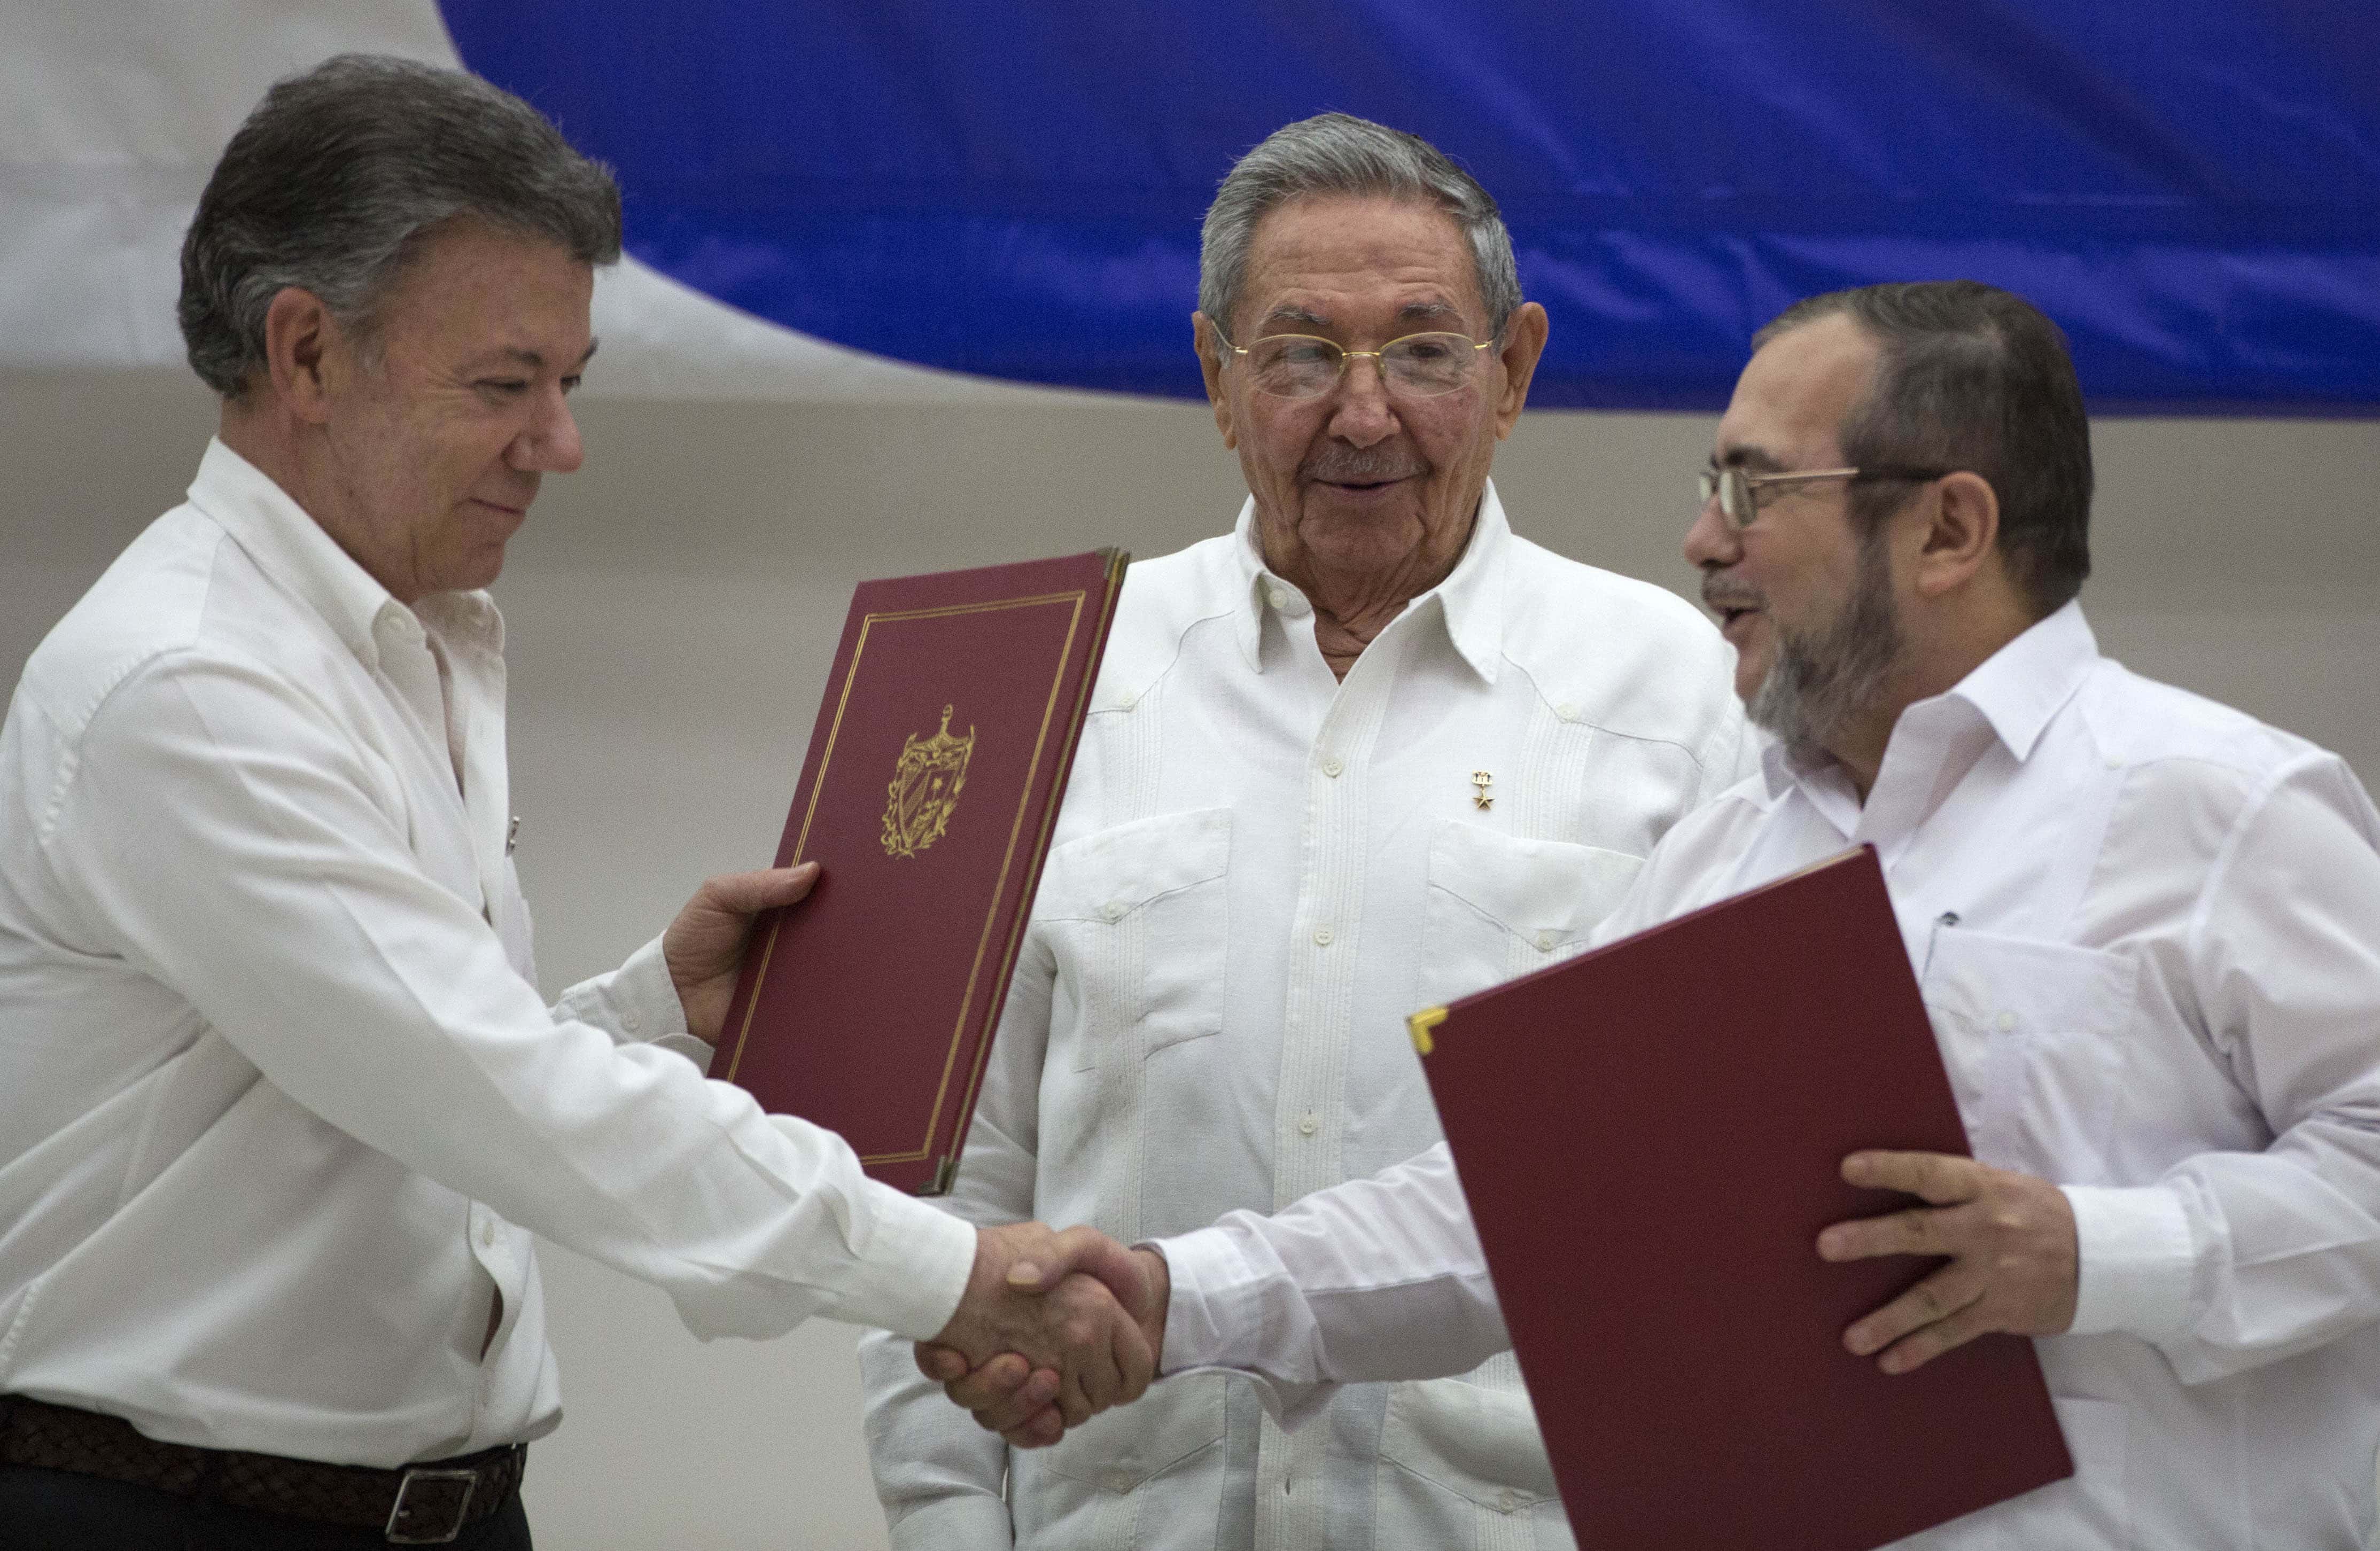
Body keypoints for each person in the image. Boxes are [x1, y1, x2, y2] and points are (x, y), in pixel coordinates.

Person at [940, 280, 2380, 1548]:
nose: (1701, 539)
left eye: (1757, 492)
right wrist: (1165, 1291)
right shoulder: (1731, 851)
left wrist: (2094, 1253)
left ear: (1949, 528)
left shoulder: (2227, 807)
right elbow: (1522, 1212)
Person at [0, 55, 1148, 1549]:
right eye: (505, 385)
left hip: (441, 1513)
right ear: (304, 355)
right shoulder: (190, 684)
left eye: (569, 382)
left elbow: (398, 1102)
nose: (562, 442)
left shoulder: (413, 639)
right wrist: (952, 1276)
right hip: (162, 1515)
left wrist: (654, 1010)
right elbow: (496, 1095)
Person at [858, 113, 1747, 1551]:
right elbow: (937, 1199)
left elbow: (1722, 1194)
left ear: (1513, 370)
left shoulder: (1683, 699)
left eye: (1422, 349)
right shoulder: (1044, 679)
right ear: (1217, 378)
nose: (1365, 411)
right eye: (1301, 353)